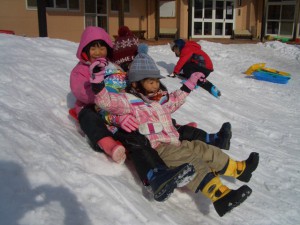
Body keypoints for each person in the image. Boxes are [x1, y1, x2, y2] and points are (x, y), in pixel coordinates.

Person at [89, 45, 260, 217]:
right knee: (194, 162)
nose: (156, 85)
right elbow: (107, 102)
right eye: (150, 81)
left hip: (176, 142)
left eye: (156, 81)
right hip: (160, 149)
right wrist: (97, 84)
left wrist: (190, 83)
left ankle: (239, 169)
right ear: (135, 84)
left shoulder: (160, 100)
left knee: (204, 149)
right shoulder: (129, 102)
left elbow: (176, 99)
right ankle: (221, 196)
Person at [69, 26, 196, 202]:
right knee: (94, 120)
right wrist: (106, 95)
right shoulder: (80, 70)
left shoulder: (113, 66)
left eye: (102, 46)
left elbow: (126, 85)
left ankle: (176, 130)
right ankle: (113, 148)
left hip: (119, 105)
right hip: (95, 109)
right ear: (84, 49)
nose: (98, 52)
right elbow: (83, 94)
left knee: (149, 112)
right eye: (93, 47)